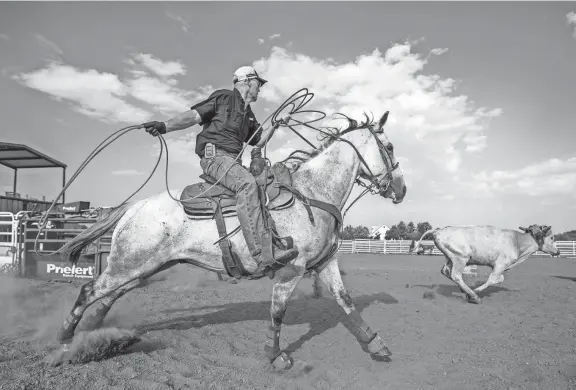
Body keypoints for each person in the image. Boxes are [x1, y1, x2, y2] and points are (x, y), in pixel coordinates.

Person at [142, 65, 299, 275]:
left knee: (260, 185)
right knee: (246, 183)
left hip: (232, 161)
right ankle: (262, 254)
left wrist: (277, 124)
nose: (260, 88)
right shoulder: (223, 98)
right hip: (214, 156)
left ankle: (267, 240)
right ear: (246, 81)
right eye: (258, 83)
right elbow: (194, 116)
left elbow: (258, 141)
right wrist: (165, 126)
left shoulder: (249, 114)